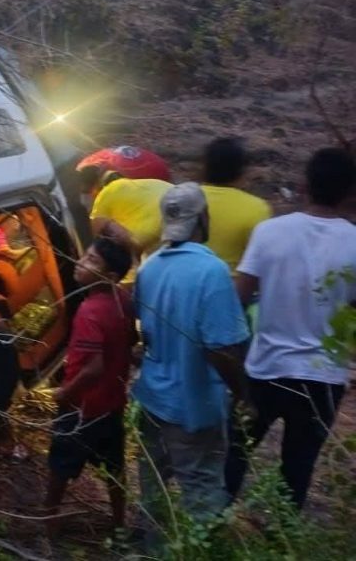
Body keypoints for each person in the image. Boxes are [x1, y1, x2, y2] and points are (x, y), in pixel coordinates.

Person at [224, 147, 356, 509]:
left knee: (234, 453)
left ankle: (211, 530)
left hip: (265, 369)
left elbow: (238, 297)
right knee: (297, 471)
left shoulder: (270, 232)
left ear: (303, 185)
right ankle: (281, 542)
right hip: (323, 379)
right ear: (349, 194)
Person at [132, 182, 251, 535]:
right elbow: (221, 349)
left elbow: (146, 335)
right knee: (201, 494)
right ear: (203, 218)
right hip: (193, 409)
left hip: (152, 399)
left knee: (153, 491)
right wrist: (244, 393)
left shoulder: (149, 267)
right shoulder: (211, 272)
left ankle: (149, 552)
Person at [45, 237, 136, 534]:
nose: (81, 263)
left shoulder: (90, 310)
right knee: (114, 466)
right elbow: (129, 343)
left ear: (109, 276)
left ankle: (46, 521)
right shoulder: (121, 299)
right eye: (85, 256)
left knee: (60, 463)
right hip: (112, 403)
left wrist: (64, 393)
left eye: (92, 261)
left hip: (83, 407)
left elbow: (92, 368)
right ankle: (119, 520)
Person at [200, 136, 271, 272]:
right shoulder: (257, 208)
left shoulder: (183, 197)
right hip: (231, 286)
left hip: (181, 281)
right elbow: (259, 260)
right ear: (241, 171)